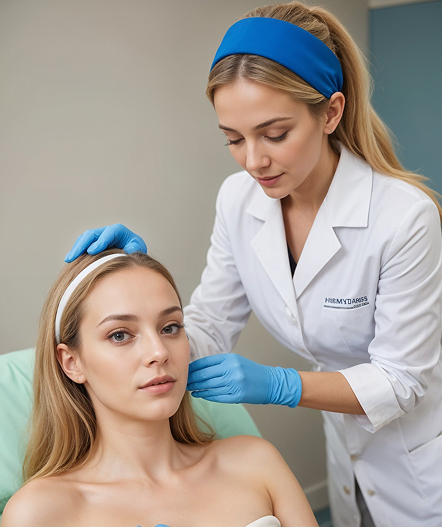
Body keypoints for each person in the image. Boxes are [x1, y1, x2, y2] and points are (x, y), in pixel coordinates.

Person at [63, 2, 442, 526]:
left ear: (330, 113)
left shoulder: (404, 217)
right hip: (346, 450)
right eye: (234, 139)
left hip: (421, 457)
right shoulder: (238, 199)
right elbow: (211, 325)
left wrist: (284, 386)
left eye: (275, 134)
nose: (253, 161)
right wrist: (137, 283)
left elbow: (401, 380)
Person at [1, 250, 319, 527]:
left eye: (170, 327)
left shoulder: (255, 462)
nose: (159, 352)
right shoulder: (38, 512)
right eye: (119, 335)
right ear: (72, 363)